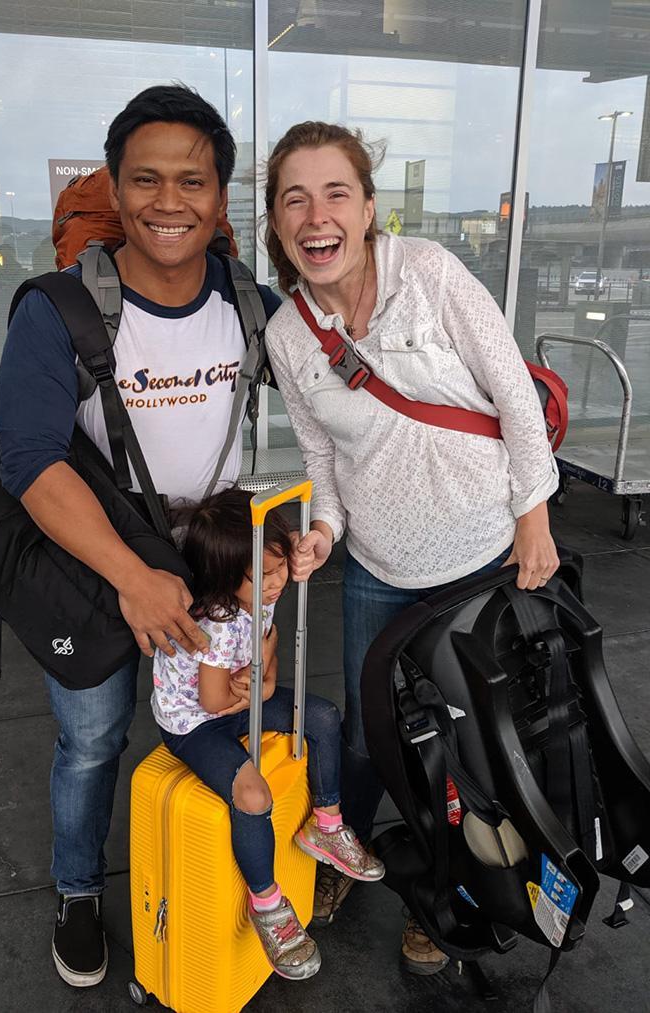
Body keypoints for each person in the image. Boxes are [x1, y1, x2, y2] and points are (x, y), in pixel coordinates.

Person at [0, 85, 281, 988]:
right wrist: (129, 575)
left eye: (192, 181)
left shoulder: (253, 304)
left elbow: (339, 399)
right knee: (92, 740)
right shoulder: (60, 310)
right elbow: (32, 461)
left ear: (219, 196)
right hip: (96, 567)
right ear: (115, 191)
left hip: (211, 572)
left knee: (215, 714)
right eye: (146, 179)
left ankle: (193, 877)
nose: (169, 202)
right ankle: (80, 890)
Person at [262, 122, 560, 972]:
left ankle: (450, 892)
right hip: (379, 568)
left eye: (334, 193)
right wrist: (325, 530)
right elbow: (323, 455)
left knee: (474, 738)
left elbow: (510, 388)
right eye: (294, 199)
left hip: (480, 553)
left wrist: (532, 513)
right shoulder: (289, 335)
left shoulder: (427, 273)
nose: (316, 215)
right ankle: (348, 850)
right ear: (279, 226)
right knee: (369, 736)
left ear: (366, 209)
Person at [153, 487, 384, 980]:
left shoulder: (258, 594)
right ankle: (268, 905)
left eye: (281, 569)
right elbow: (215, 701)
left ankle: (326, 824)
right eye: (267, 574)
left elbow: (268, 638)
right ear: (224, 577)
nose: (279, 582)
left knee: (320, 716)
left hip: (239, 695)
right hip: (196, 723)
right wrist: (255, 688)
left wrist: (268, 678)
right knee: (253, 796)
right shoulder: (212, 624)